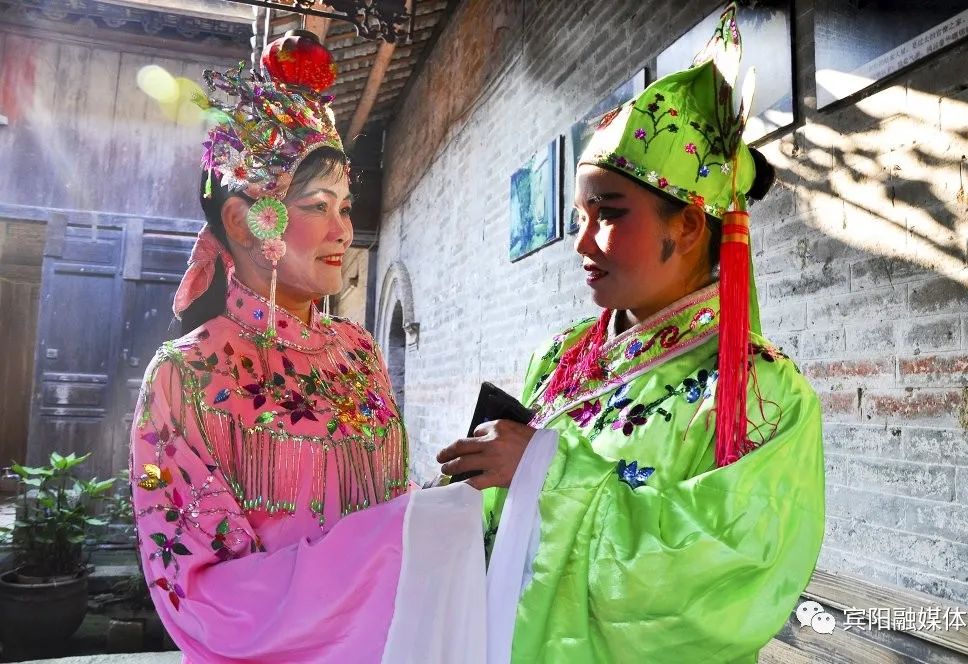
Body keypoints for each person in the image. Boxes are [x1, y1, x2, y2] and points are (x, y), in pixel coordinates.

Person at [437, 5, 825, 662]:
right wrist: (463, 500)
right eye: (580, 216)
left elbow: (720, 581)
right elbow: (502, 533)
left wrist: (543, 471)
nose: (582, 243)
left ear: (690, 227)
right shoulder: (559, 358)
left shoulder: (760, 396)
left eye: (610, 215)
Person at [130, 38, 486, 663]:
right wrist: (394, 544)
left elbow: (388, 500)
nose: (342, 230)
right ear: (244, 223)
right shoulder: (184, 377)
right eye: (317, 206)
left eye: (345, 208)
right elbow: (198, 588)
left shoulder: (358, 351)